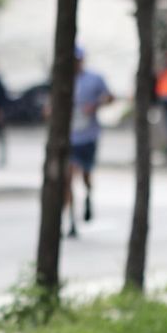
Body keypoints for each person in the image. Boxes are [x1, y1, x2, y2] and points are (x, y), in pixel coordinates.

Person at [65, 45, 115, 238]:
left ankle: (88, 196)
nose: (76, 63)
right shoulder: (62, 79)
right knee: (68, 177)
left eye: (78, 59)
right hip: (69, 138)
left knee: (85, 175)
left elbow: (110, 97)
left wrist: (95, 105)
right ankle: (71, 221)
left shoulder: (95, 79)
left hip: (89, 136)